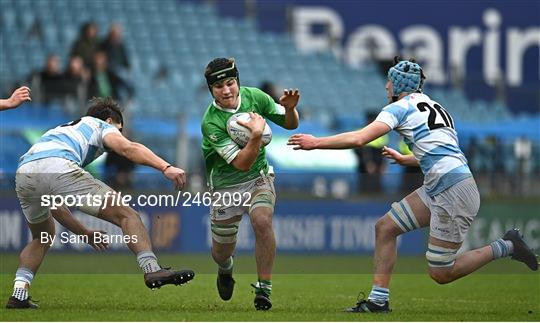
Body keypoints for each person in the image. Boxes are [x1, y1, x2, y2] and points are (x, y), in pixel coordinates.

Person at [288, 56, 538, 313]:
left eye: (388, 81)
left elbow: (360, 137)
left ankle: (508, 245)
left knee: (441, 272)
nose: (385, 87)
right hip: (444, 184)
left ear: (397, 85)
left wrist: (316, 142)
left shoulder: (398, 108)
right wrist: (407, 158)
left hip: (452, 191)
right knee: (385, 228)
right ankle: (378, 301)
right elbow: (443, 151)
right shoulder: (436, 107)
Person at [6, 97, 194, 309]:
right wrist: (165, 167)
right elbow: (128, 148)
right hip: (59, 165)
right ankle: (152, 269)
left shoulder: (60, 132)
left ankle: (19, 293)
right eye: (119, 130)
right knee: (128, 215)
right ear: (110, 120)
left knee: (42, 236)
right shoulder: (100, 125)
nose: (119, 135)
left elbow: (56, 206)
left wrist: (85, 233)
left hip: (24, 171)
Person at [201, 58, 299, 310]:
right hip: (225, 187)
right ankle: (226, 268)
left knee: (262, 220)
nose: (226, 90)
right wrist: (256, 134)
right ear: (211, 89)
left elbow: (290, 123)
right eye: (219, 86)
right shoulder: (210, 122)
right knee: (221, 252)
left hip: (259, 178)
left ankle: (264, 288)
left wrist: (289, 109)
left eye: (230, 83)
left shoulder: (255, 97)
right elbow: (241, 163)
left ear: (238, 81)